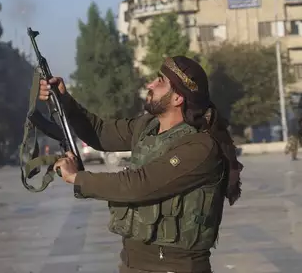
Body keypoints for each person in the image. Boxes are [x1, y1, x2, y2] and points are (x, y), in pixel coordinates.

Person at [38, 56, 243, 273]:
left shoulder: (201, 147)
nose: (150, 85)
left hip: (176, 267)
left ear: (178, 98)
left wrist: (78, 178)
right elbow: (100, 132)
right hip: (133, 263)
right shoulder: (147, 126)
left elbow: (138, 184)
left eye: (160, 81)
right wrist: (64, 100)